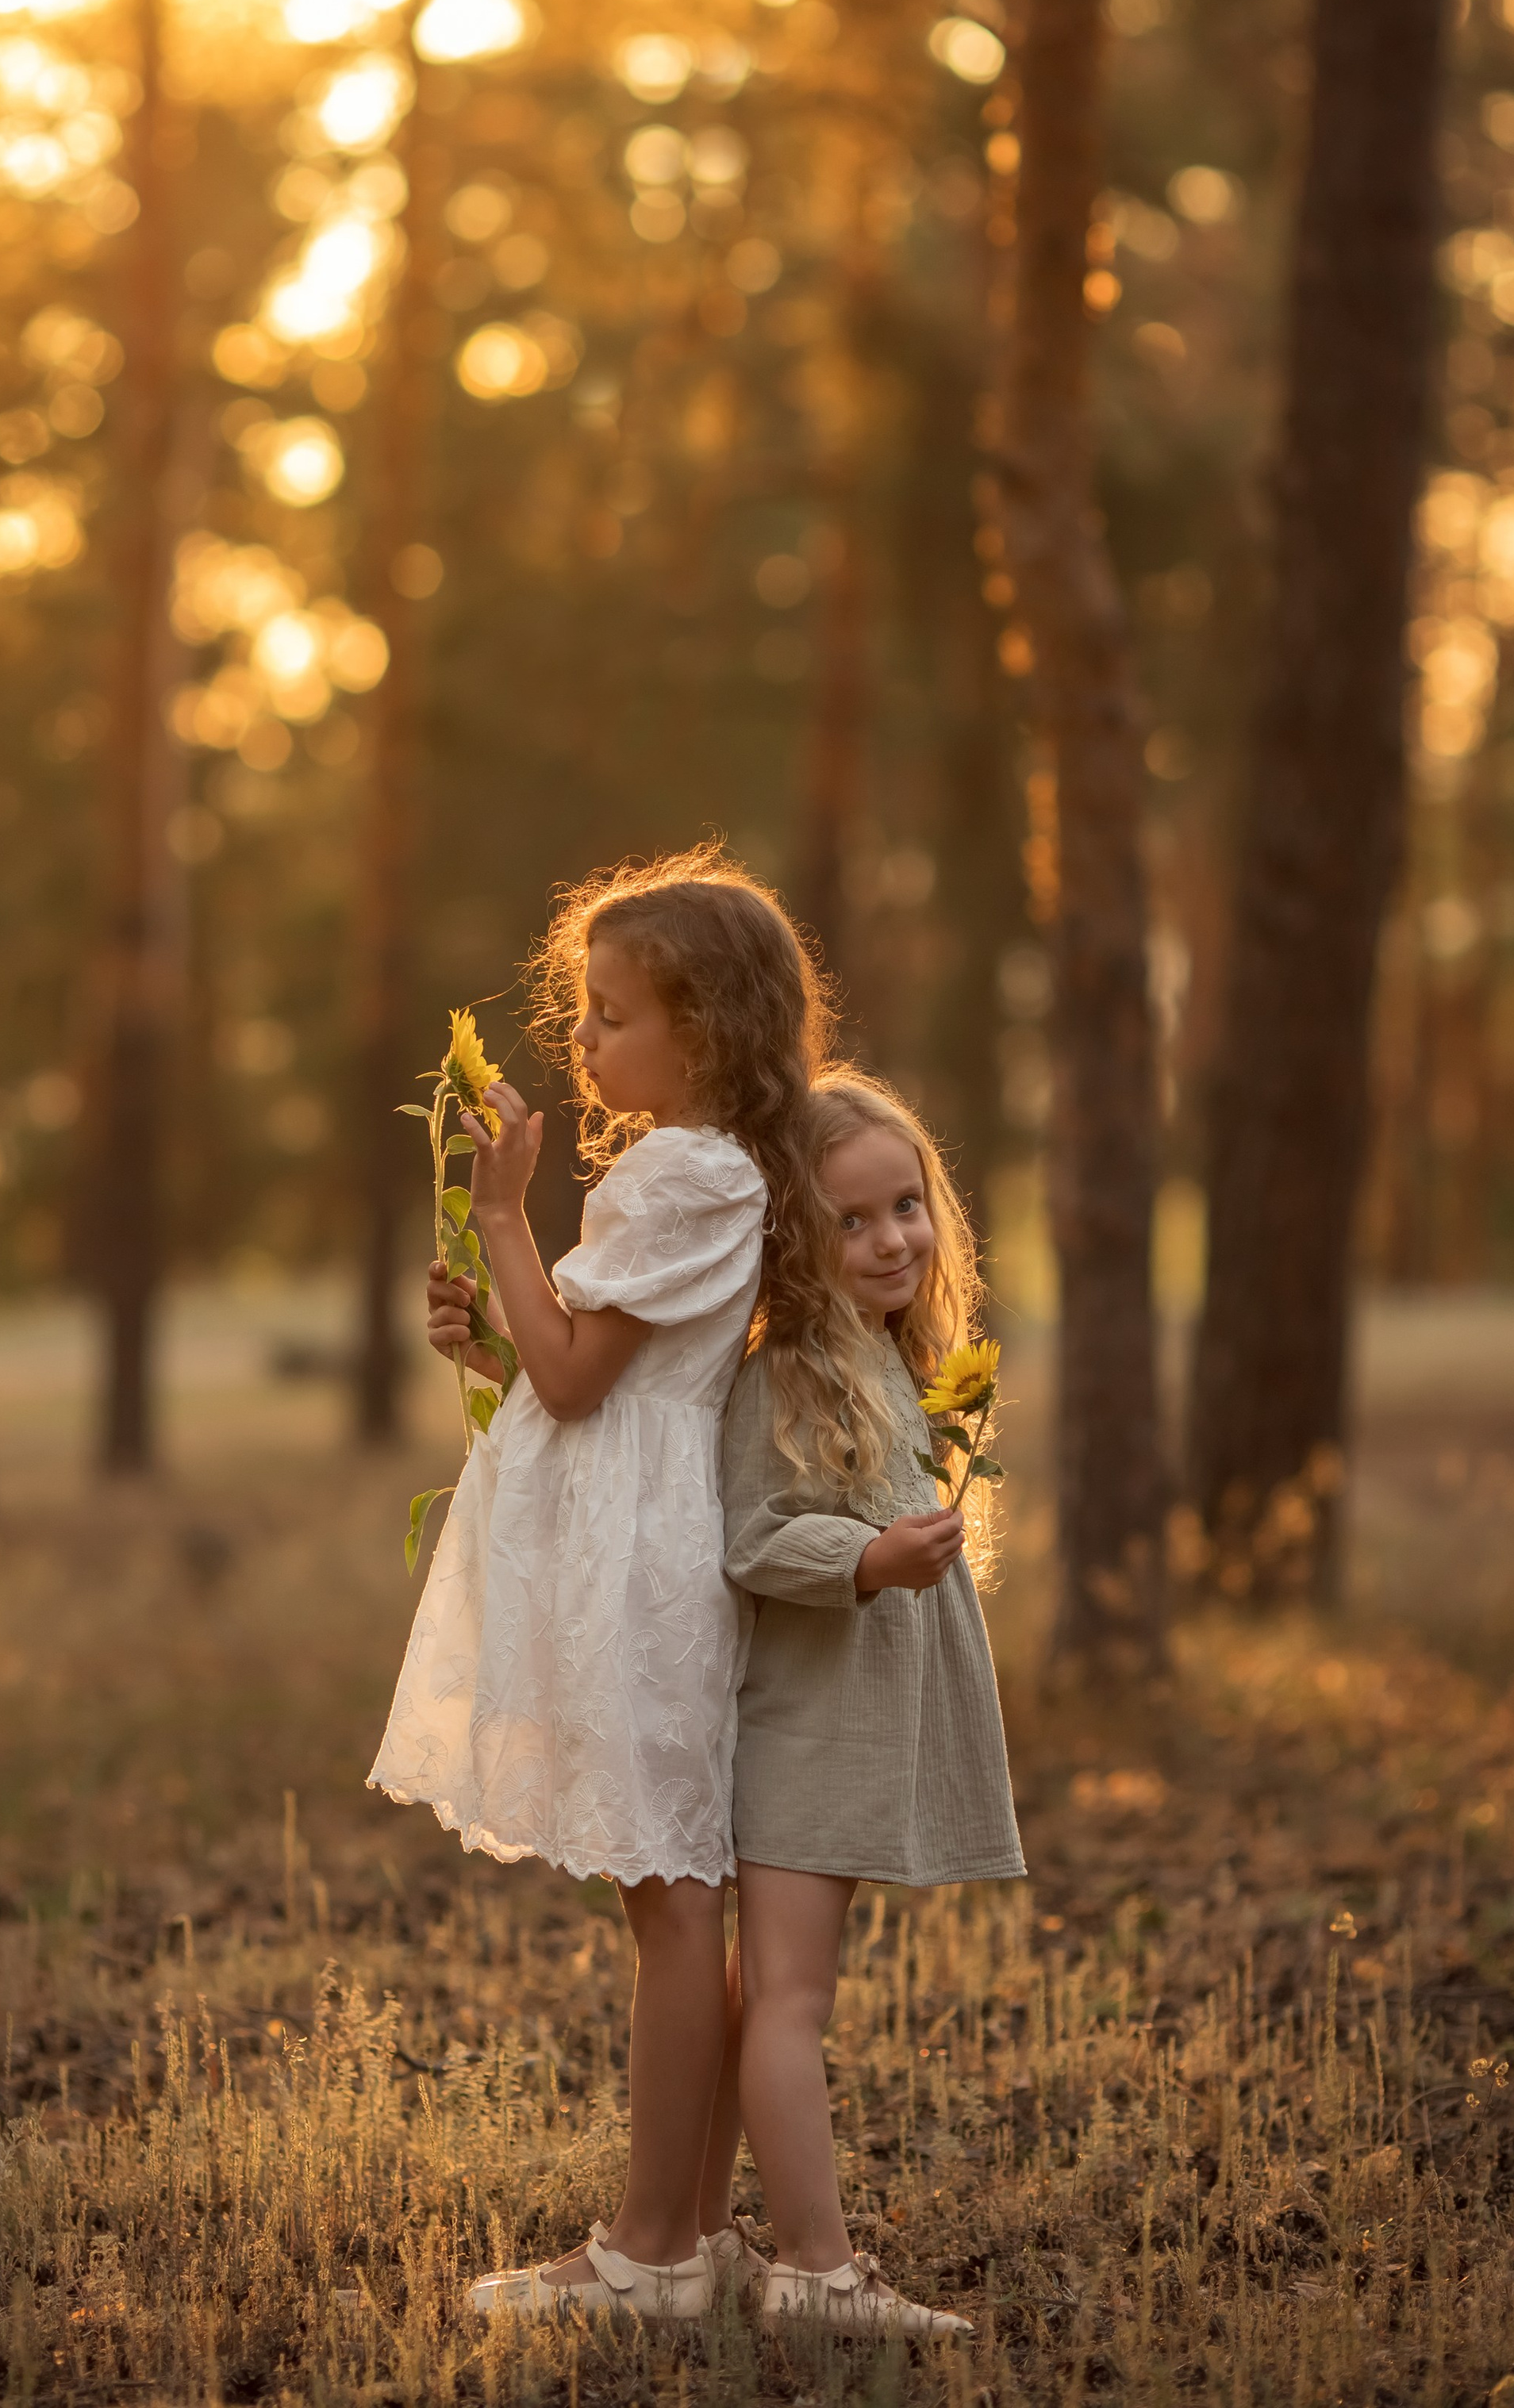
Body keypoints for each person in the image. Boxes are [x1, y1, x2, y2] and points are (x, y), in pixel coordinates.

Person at [369, 847, 827, 2321]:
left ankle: (648, 2252)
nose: (583, 1042)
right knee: (672, 1886)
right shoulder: (704, 1172)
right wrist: (490, 1336)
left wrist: (506, 1220)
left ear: (703, 1031)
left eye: (613, 1014)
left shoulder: (680, 1172)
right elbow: (583, 1374)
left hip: (642, 1566)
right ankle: (683, 2240)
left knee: (673, 1894)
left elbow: (576, 1389)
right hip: (639, 1526)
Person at [714, 1066, 1024, 2342]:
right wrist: (862, 1560)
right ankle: (816, 2272)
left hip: (845, 1733)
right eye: (852, 1220)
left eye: (908, 1205)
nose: (894, 1237)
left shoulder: (897, 1364)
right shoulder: (785, 1371)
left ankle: (701, 2233)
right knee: (787, 2000)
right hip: (799, 1733)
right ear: (798, 1240)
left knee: (775, 1999)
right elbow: (744, 1538)